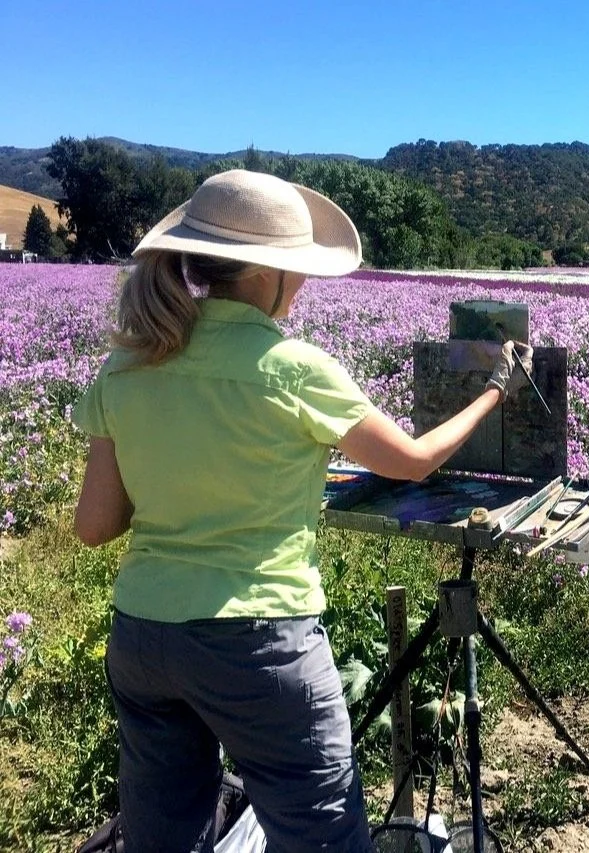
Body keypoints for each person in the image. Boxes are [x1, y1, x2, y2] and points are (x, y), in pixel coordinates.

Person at [71, 169, 532, 852]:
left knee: (163, 839)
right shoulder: (294, 367)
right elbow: (411, 458)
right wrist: (496, 388)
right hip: (258, 642)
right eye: (300, 269)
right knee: (322, 837)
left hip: (143, 637)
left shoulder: (127, 364)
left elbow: (94, 525)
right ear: (268, 273)